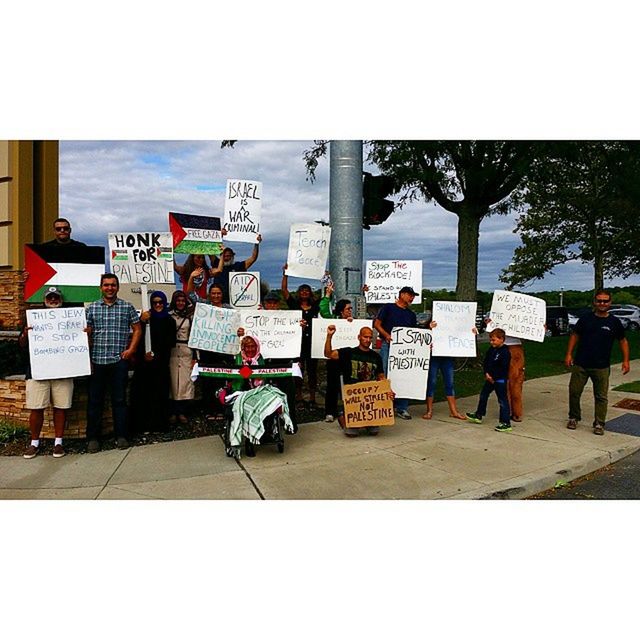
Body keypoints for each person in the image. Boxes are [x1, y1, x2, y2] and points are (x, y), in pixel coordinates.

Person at [85, 273, 142, 452]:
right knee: (95, 401)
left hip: (119, 361)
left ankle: (121, 436)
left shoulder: (127, 307)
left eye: (113, 285)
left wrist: (131, 349)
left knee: (119, 400)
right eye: (106, 285)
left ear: (118, 287)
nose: (110, 288)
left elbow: (137, 328)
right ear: (101, 287)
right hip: (97, 361)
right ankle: (93, 438)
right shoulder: (92, 308)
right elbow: (86, 334)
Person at [564, 289, 630, 435]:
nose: (602, 303)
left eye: (605, 301)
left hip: (601, 366)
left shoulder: (614, 322)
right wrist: (569, 354)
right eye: (599, 300)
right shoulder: (585, 319)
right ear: (594, 302)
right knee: (574, 392)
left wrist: (626, 361)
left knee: (601, 396)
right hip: (581, 363)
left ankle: (599, 423)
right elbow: (575, 336)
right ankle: (574, 417)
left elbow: (623, 341)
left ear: (610, 303)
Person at [19, 287, 73, 459]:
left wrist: (84, 334)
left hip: (62, 370)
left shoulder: (69, 319)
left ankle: (58, 443)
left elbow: (78, 342)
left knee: (61, 407)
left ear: (61, 300)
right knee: (36, 408)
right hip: (38, 371)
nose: (53, 300)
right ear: (44, 300)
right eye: (49, 297)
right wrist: (26, 334)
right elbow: (21, 345)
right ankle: (34, 443)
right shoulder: (33, 319)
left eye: (56, 297)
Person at [324, 324, 391, 437]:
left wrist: (388, 390)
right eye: (365, 337)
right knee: (352, 434)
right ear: (359, 337)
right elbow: (328, 354)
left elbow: (381, 377)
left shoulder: (376, 357)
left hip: (369, 398)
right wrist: (329, 336)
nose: (368, 340)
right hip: (353, 398)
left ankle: (365, 423)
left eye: (370, 337)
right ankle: (343, 417)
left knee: (374, 432)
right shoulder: (348, 353)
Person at [130, 291, 177, 433]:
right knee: (142, 395)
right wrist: (142, 321)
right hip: (143, 365)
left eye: (160, 302)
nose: (158, 305)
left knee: (159, 395)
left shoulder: (169, 321)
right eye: (155, 302)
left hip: (160, 364)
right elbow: (137, 336)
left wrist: (155, 355)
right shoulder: (145, 319)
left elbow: (170, 343)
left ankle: (159, 425)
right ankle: (142, 425)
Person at [373, 286, 418, 419]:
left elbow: (414, 333)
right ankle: (383, 405)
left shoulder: (411, 314)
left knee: (404, 376)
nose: (412, 297)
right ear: (402, 294)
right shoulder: (388, 308)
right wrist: (386, 335)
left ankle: (402, 407)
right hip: (388, 345)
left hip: (405, 350)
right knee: (384, 374)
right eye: (410, 295)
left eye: (413, 295)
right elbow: (377, 324)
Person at [281, 264, 320, 405]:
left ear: (310, 293)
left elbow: (329, 295)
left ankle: (312, 397)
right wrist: (285, 274)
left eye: (307, 291)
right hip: (297, 344)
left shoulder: (316, 306)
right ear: (299, 293)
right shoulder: (294, 305)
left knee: (312, 371)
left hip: (312, 344)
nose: (304, 293)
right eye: (302, 290)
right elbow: (284, 291)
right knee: (298, 369)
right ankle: (298, 395)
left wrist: (327, 277)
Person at [422, 321, 472, 421]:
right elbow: (423, 340)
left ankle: (454, 411)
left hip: (446, 357)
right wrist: (429, 329)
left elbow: (462, 334)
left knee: (450, 383)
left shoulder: (452, 326)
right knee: (431, 383)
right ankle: (429, 410)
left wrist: (471, 332)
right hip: (434, 357)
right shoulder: (431, 326)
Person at [319, 282, 353, 422]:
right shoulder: (332, 320)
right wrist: (327, 295)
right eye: (348, 309)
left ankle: (349, 410)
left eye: (351, 309)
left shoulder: (353, 323)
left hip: (348, 358)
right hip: (333, 358)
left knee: (349, 385)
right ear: (341, 311)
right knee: (332, 385)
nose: (350, 311)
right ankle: (330, 412)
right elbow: (323, 310)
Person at [466, 328, 512, 432]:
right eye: (490, 340)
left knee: (502, 400)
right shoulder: (491, 349)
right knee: (483, 394)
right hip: (489, 378)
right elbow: (486, 361)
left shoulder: (505, 352)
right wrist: (486, 373)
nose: (492, 342)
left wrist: (494, 377)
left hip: (499, 380)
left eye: (494, 340)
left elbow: (503, 367)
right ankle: (479, 414)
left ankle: (505, 422)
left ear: (501, 339)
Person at [168, 290, 196, 425]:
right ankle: (173, 411)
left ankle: (182, 412)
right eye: (178, 301)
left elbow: (194, 336)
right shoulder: (168, 316)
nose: (180, 303)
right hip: (172, 351)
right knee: (173, 383)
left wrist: (195, 356)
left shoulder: (190, 317)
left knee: (185, 383)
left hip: (186, 350)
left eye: (182, 301)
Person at [211, 235, 262, 302]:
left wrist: (256, 244)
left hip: (235, 301)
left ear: (233, 256)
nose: (226, 258)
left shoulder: (238, 266)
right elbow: (210, 252)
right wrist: (219, 235)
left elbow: (253, 258)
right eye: (224, 256)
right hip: (218, 300)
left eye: (228, 256)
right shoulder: (216, 263)